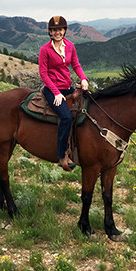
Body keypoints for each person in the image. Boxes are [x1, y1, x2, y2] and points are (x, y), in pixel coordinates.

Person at [39, 15, 89, 171]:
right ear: (50, 32)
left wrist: (83, 78)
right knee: (66, 117)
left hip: (67, 86)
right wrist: (55, 92)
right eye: (54, 30)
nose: (57, 33)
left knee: (86, 107)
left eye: (59, 29)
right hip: (51, 89)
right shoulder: (45, 49)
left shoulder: (70, 46)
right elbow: (43, 74)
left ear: (64, 30)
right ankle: (62, 156)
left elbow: (76, 65)